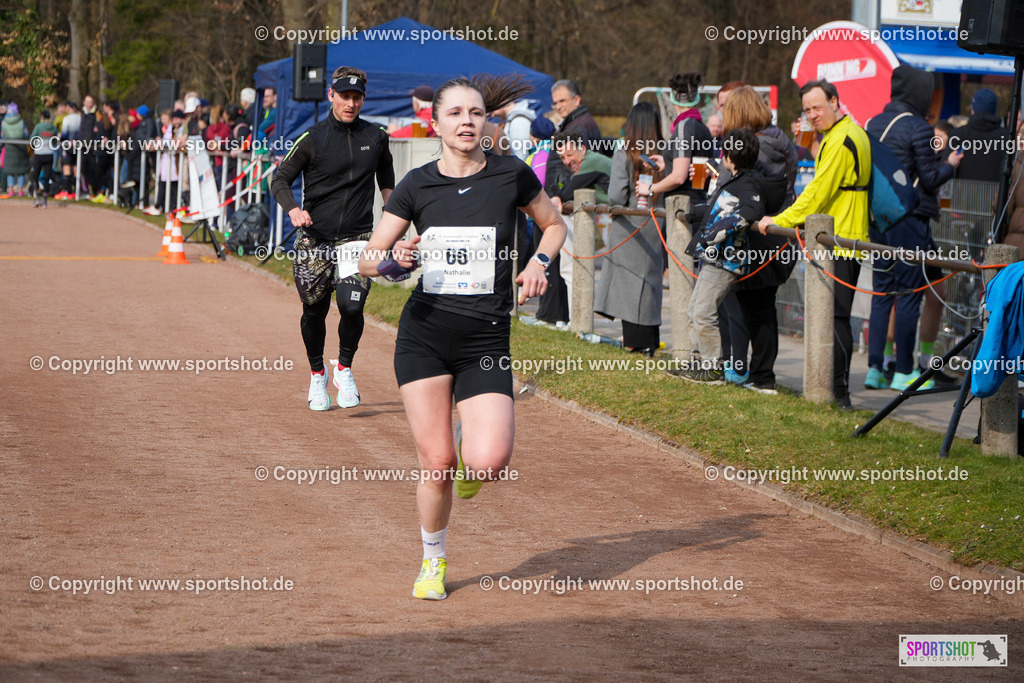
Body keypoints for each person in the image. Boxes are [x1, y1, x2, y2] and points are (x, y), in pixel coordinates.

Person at [358, 74, 565, 601]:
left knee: (489, 460)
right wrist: (394, 259)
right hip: (424, 334)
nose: (467, 122)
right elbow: (367, 259)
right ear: (437, 123)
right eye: (455, 114)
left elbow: (555, 224)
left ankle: (472, 459)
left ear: (487, 120)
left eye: (476, 113)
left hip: (486, 339)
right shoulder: (416, 184)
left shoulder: (510, 175)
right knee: (438, 462)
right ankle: (433, 560)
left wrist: (540, 261)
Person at [270, 66, 395, 411]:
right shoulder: (312, 138)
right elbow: (279, 180)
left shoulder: (377, 136)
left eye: (357, 97)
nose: (351, 103)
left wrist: (394, 215)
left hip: (358, 238)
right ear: (331, 96)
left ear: (363, 99)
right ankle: (316, 374)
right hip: (315, 239)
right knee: (315, 310)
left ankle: (344, 368)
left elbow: (387, 178)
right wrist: (294, 211)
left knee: (352, 305)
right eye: (345, 97)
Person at [757, 79, 871, 410]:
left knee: (835, 317)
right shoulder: (850, 133)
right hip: (845, 235)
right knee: (836, 316)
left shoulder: (840, 139)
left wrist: (779, 221)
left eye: (817, 107)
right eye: (807, 110)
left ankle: (838, 393)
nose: (812, 115)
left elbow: (817, 193)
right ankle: (836, 391)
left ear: (835, 101)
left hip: (840, 238)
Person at [864, 65, 963, 392]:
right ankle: (906, 372)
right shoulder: (918, 128)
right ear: (920, 94)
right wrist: (949, 166)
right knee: (908, 295)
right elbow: (930, 179)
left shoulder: (871, 123)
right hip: (910, 221)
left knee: (881, 293)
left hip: (878, 219)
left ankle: (875, 370)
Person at [719, 86, 800, 393]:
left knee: (740, 306)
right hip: (779, 234)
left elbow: (735, 187)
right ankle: (763, 375)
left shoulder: (749, 145)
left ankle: (746, 372)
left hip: (754, 236)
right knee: (765, 307)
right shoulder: (783, 142)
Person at [681, 128, 765, 382]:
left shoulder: (748, 182)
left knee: (704, 313)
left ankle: (713, 368)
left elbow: (753, 209)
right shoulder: (734, 179)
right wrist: (696, 213)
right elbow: (722, 207)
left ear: (730, 156)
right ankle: (699, 363)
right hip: (713, 256)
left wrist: (721, 229)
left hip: (726, 259)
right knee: (694, 310)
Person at [594, 102, 665, 355]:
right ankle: (650, 343)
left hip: (628, 227)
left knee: (629, 286)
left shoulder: (624, 151)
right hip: (656, 226)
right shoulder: (664, 152)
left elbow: (615, 195)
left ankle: (634, 343)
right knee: (649, 287)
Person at [646, 72, 713, 207]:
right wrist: (668, 162)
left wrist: (650, 189)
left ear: (672, 98)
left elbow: (679, 177)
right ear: (696, 98)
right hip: (698, 202)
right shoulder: (702, 127)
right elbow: (691, 164)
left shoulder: (684, 126)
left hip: (682, 206)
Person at [544, 79, 602, 195]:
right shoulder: (574, 123)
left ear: (576, 100)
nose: (558, 106)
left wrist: (562, 195)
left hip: (572, 197)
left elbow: (579, 166)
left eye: (562, 101)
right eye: (555, 103)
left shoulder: (579, 127)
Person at [952, 89, 1011, 183]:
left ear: (973, 109)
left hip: (962, 194)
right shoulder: (1007, 137)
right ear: (994, 110)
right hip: (996, 196)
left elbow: (946, 167)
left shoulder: (958, 135)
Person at [29, 110, 59, 206]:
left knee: (35, 176)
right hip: (49, 154)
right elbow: (55, 141)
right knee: (46, 177)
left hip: (39, 154)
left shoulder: (38, 126)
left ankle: (37, 197)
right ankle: (45, 200)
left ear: (42, 117)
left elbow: (32, 139)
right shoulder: (53, 127)